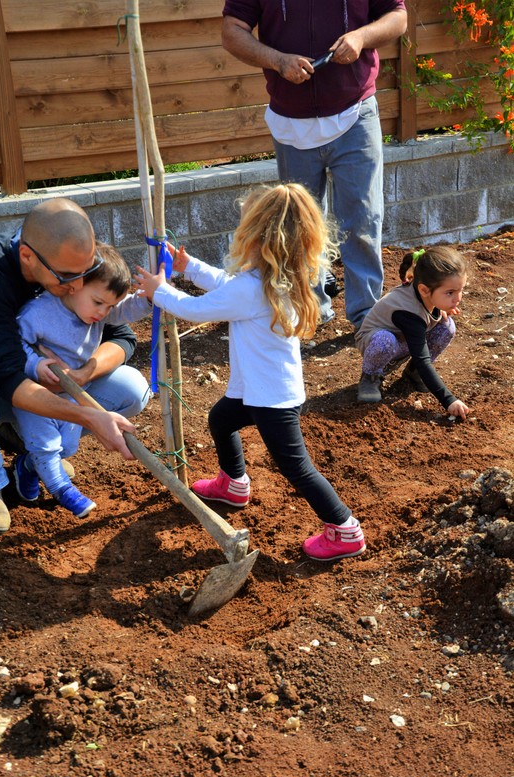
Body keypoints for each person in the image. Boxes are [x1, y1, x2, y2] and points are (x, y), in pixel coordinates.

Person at [135, 183, 366, 562]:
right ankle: (234, 485)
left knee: (296, 467)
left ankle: (344, 530)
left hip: (271, 399)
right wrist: (189, 267)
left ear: (257, 235)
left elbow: (198, 310)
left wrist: (158, 291)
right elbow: (229, 288)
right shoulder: (278, 277)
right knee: (221, 419)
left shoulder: (253, 287)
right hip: (258, 388)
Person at [221, 0, 407, 331]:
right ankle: (311, 312)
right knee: (298, 226)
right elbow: (232, 31)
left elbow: (397, 17)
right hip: (291, 121)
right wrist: (278, 61)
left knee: (363, 218)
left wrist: (362, 36)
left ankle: (366, 317)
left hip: (355, 111)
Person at [0, 198, 150, 535]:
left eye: (85, 274)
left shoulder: (70, 262)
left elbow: (123, 337)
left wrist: (85, 372)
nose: (77, 286)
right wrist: (91, 416)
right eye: (68, 278)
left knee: (132, 388)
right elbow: (12, 376)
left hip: (40, 384)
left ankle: (22, 442)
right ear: (27, 256)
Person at [12, 243, 152, 517]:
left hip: (75, 391)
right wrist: (36, 364)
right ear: (73, 285)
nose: (102, 313)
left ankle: (27, 466)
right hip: (35, 394)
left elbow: (125, 310)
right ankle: (63, 490)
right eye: (99, 303)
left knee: (68, 446)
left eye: (108, 306)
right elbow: (14, 345)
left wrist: (149, 299)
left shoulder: (96, 310)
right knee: (47, 445)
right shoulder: (38, 313)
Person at [355, 245, 470, 419]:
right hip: (377, 342)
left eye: (461, 290)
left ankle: (413, 374)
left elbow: (430, 313)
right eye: (450, 292)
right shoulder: (408, 313)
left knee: (447, 326)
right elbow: (422, 359)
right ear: (425, 290)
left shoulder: (426, 294)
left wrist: (441, 307)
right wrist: (449, 400)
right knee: (384, 341)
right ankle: (371, 376)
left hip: (404, 339)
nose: (458, 298)